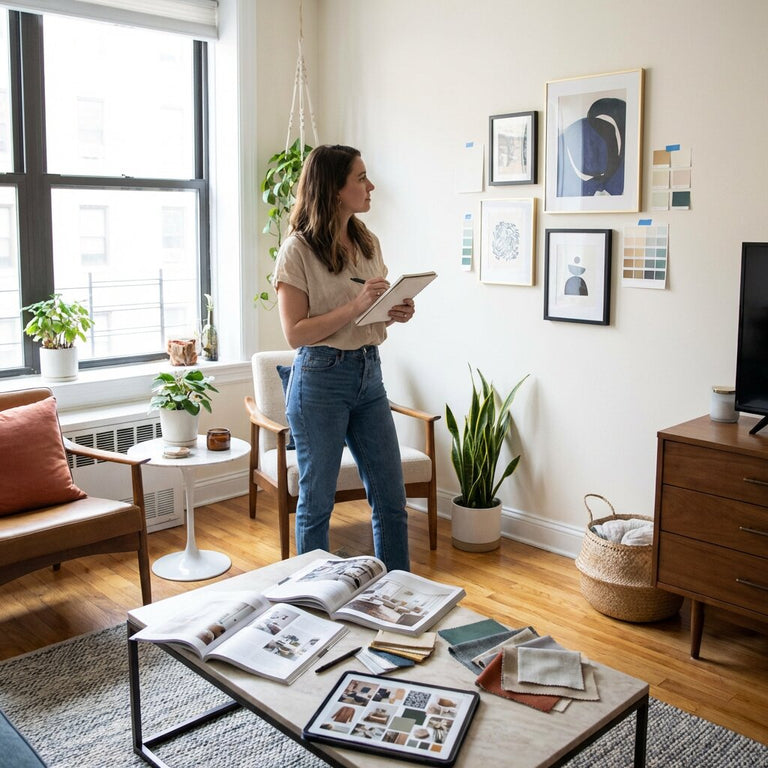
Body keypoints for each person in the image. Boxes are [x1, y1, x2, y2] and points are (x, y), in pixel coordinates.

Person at [272, 144, 415, 572]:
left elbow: (371, 315)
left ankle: (398, 596)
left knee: (391, 499)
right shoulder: (296, 251)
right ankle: (311, 602)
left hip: (369, 374)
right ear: (335, 189)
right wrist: (355, 307)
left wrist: (397, 309)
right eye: (361, 178)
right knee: (317, 504)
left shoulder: (367, 240)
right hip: (320, 380)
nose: (371, 187)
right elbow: (296, 333)